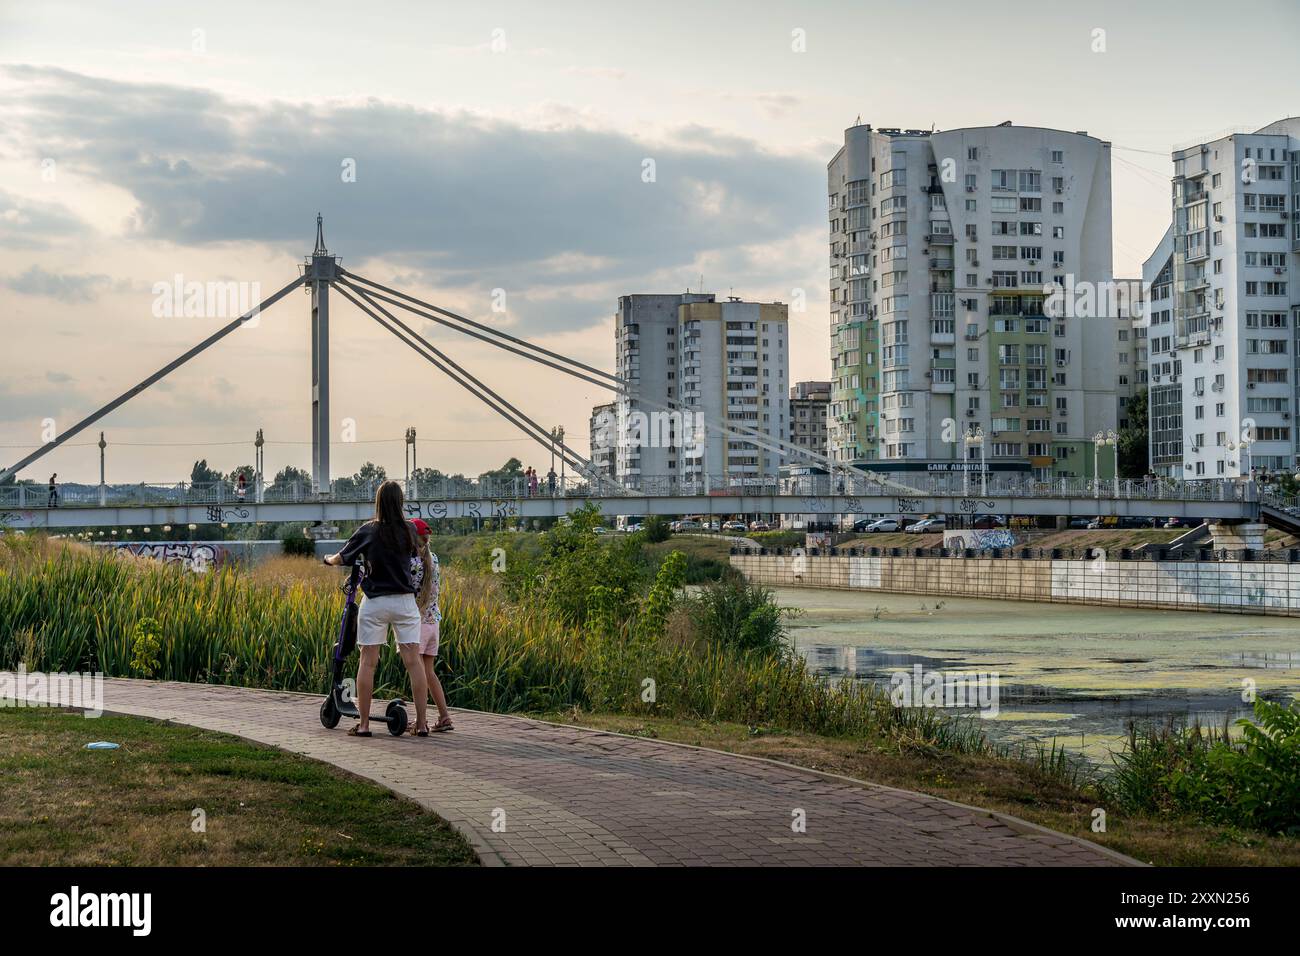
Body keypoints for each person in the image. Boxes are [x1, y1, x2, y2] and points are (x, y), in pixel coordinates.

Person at [324, 480, 431, 736]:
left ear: (378, 501)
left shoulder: (369, 531)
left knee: (368, 662)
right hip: (405, 602)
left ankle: (363, 725)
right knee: (413, 662)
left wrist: (327, 560)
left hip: (375, 603)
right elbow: (417, 553)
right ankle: (423, 724)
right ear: (401, 501)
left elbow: (342, 557)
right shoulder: (408, 530)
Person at [409, 518, 453, 732]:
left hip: (416, 624)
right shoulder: (433, 558)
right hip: (433, 621)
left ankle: (421, 721)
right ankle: (444, 717)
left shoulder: (410, 563)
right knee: (428, 672)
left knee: (417, 673)